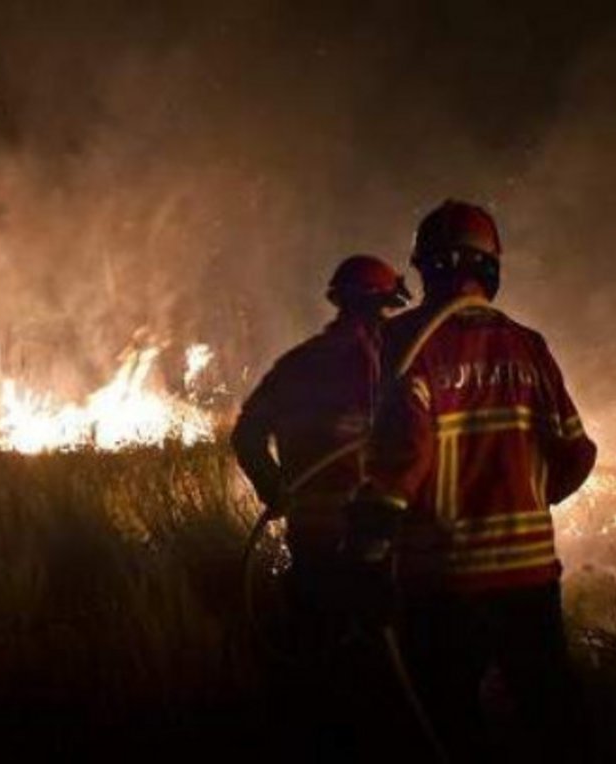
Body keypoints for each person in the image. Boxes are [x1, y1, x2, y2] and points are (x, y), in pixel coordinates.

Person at [346, 200, 597, 761]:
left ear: (425, 269)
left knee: (443, 726)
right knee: (554, 723)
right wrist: (528, 499)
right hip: (530, 581)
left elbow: (402, 457)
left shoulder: (404, 342)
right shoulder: (529, 345)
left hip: (444, 581)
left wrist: (367, 547)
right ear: (490, 267)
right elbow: (577, 452)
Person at [232, 255, 410, 626]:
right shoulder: (393, 364)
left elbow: (247, 434)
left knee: (318, 635)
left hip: (310, 533)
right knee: (381, 641)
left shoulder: (295, 364)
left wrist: (274, 489)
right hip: (376, 534)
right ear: (383, 305)